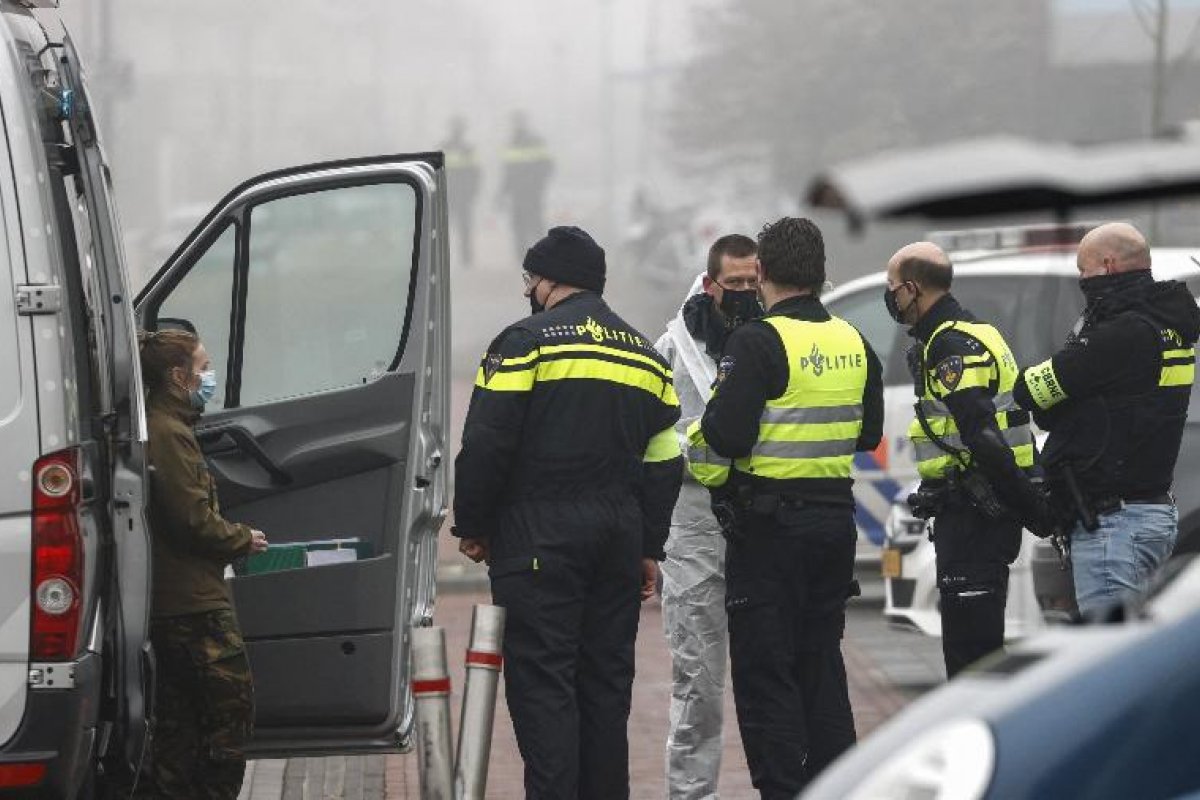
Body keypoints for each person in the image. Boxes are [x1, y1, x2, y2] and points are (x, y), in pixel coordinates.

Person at [453, 226, 683, 799]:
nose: (527, 289)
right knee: (606, 689)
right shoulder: (646, 356)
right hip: (617, 539)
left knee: (543, 685)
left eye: (530, 278)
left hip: (538, 538)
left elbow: (487, 441)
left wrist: (473, 524)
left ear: (550, 281)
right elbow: (665, 459)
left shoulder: (522, 343)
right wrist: (648, 545)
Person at [687, 217, 883, 798]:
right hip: (833, 524)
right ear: (822, 273)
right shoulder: (854, 340)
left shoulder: (757, 341)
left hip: (769, 532)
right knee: (821, 667)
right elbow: (868, 432)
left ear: (764, 273)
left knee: (766, 675)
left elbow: (725, 436)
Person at [1013, 222, 1200, 616]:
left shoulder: (1122, 334)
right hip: (1150, 512)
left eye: (1084, 271)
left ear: (1109, 265)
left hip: (1115, 526)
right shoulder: (1168, 326)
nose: (1082, 281)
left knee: (1111, 648)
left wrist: (1058, 392)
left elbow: (1030, 390)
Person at [884, 242, 1051, 678]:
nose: (891, 298)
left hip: (977, 512)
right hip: (976, 510)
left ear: (911, 289)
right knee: (976, 652)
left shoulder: (950, 345)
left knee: (971, 662)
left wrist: (1034, 509)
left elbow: (983, 435)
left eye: (892, 289)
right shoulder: (976, 330)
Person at [136, 329, 269, 799]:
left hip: (178, 602)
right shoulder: (168, 433)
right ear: (178, 376)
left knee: (179, 730)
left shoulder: (168, 426)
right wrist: (241, 539)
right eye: (203, 366)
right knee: (226, 725)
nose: (208, 376)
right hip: (193, 608)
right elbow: (191, 519)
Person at [654, 234, 760, 800]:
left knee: (771, 676)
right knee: (698, 681)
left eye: (753, 282)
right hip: (694, 528)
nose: (745, 293)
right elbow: (651, 439)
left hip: (764, 525)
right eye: (735, 284)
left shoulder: (774, 338)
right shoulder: (672, 350)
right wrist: (714, 446)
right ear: (711, 283)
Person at [497, 111, 554, 258]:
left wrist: (538, 184)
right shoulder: (511, 143)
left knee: (535, 223)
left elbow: (547, 166)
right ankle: (521, 257)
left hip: (532, 191)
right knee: (519, 225)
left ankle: (543, 254)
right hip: (517, 192)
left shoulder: (536, 141)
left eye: (519, 122)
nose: (517, 125)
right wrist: (502, 192)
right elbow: (508, 171)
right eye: (515, 122)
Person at [442, 115, 482, 267]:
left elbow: (476, 173)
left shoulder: (468, 149)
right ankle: (450, 256)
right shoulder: (444, 147)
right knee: (445, 227)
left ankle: (466, 257)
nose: (456, 131)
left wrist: (473, 191)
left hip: (462, 194)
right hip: (448, 194)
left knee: (464, 227)